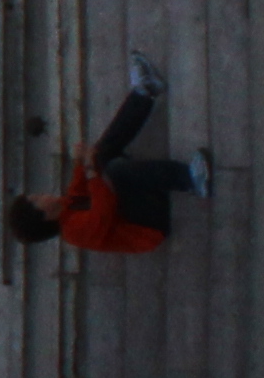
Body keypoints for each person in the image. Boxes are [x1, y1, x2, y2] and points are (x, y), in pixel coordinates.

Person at [13, 55, 206, 250]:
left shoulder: (65, 207)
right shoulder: (73, 232)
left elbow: (79, 189)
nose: (39, 194)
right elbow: (104, 208)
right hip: (150, 225)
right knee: (115, 171)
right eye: (36, 200)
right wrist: (90, 169)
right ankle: (190, 180)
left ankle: (144, 93)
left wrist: (82, 160)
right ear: (44, 216)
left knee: (100, 154)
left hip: (131, 206)